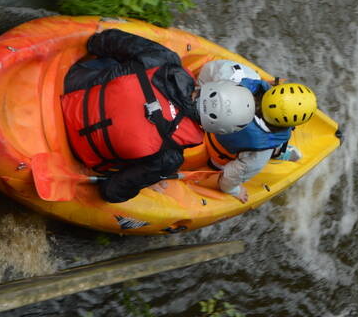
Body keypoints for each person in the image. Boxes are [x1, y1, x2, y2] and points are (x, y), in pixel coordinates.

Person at [61, 28, 255, 203]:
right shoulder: (170, 157)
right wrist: (147, 180)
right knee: (143, 161)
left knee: (124, 63)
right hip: (76, 151)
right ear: (218, 129)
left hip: (68, 90)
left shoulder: (164, 60)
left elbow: (104, 41)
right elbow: (112, 192)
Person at [199, 59, 317, 203]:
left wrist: (199, 90)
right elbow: (229, 179)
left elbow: (209, 69)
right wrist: (234, 190)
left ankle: (277, 150)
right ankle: (277, 151)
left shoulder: (240, 76)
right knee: (263, 148)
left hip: (201, 114)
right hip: (214, 154)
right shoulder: (259, 154)